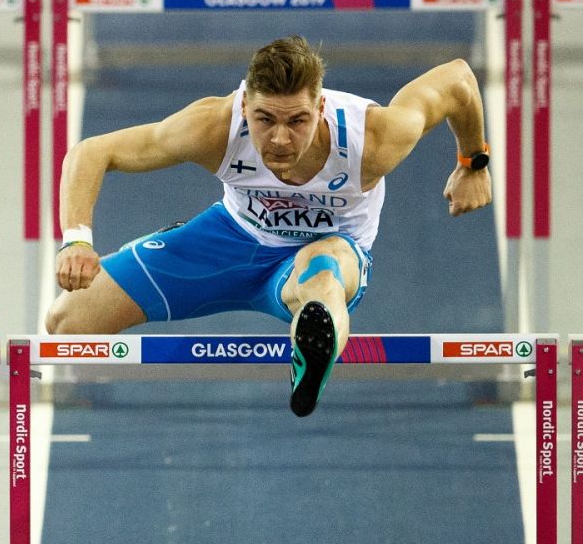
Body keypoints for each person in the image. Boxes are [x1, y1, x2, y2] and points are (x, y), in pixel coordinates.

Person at [46, 36, 492, 417]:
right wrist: (76, 240)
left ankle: (312, 358)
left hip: (325, 253)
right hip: (230, 239)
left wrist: (472, 161)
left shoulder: (372, 139)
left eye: (297, 121)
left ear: (320, 107)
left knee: (323, 276)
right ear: (245, 107)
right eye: (265, 120)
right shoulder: (215, 126)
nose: (280, 138)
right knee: (67, 323)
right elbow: (93, 152)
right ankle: (164, 252)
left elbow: (457, 79)